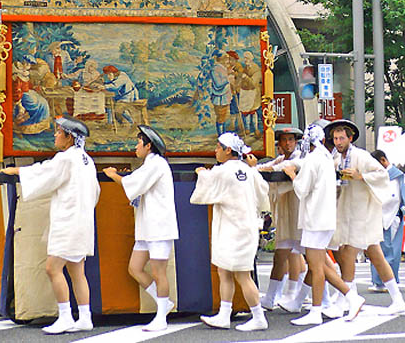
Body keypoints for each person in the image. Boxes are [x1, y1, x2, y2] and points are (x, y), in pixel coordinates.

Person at [3, 116, 100, 334]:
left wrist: (17, 171)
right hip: (82, 221)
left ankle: (65, 316)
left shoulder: (66, 159)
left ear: (69, 138)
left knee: (52, 268)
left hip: (68, 222)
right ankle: (85, 317)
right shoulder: (87, 160)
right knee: (77, 271)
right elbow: (95, 193)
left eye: (58, 132)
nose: (55, 135)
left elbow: (44, 172)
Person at [281, 123, 364, 326]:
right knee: (318, 266)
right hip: (325, 217)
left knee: (316, 266)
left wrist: (292, 175)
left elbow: (302, 189)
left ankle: (332, 304)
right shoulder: (326, 157)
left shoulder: (312, 159)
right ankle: (335, 302)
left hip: (314, 218)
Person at [325, 119, 405, 315]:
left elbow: (382, 175)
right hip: (349, 211)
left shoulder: (361, 156)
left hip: (364, 212)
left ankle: (348, 297)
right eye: (335, 138)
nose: (338, 142)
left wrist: (360, 176)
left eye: (341, 138)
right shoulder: (336, 158)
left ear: (350, 138)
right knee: (375, 256)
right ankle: (396, 299)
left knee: (348, 254)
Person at [190, 132, 269, 332]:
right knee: (224, 270)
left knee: (242, 274)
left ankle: (259, 317)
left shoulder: (221, 171)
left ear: (228, 150)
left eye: (218, 147)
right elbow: (263, 192)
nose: (215, 150)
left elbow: (204, 191)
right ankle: (224, 314)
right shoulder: (249, 171)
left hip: (232, 228)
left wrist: (201, 173)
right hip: (245, 227)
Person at [103, 125, 179, 333]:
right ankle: (165, 304)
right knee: (135, 268)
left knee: (158, 272)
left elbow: (131, 183)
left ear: (148, 145)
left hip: (159, 226)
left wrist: (113, 175)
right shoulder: (150, 164)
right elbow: (136, 182)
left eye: (138, 143)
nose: (135, 146)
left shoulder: (156, 164)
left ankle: (161, 316)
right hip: (148, 225)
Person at [259, 128, 306, 310]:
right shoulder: (281, 159)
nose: (288, 143)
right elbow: (272, 165)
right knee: (281, 255)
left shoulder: (301, 159)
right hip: (286, 216)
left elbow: (280, 168)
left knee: (317, 260)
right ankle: (272, 297)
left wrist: (266, 168)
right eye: (284, 140)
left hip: (299, 214)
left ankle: (335, 297)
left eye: (291, 140)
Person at [369, 150, 405, 291]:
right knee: (380, 250)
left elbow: (393, 198)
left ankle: (386, 281)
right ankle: (380, 281)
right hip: (381, 215)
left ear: (383, 160)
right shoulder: (386, 175)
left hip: (390, 217)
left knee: (389, 250)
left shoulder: (395, 176)